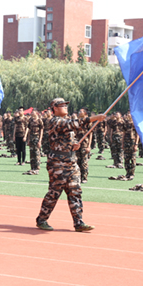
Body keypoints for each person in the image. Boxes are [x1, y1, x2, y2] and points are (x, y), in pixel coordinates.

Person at [36, 98, 105, 232]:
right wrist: (94, 118)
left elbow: (67, 136)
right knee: (54, 193)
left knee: (75, 191)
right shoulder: (55, 121)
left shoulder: (64, 121)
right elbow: (74, 124)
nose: (65, 107)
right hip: (58, 163)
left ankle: (78, 222)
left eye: (66, 105)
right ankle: (42, 219)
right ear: (55, 108)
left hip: (71, 161)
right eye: (62, 105)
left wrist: (74, 144)